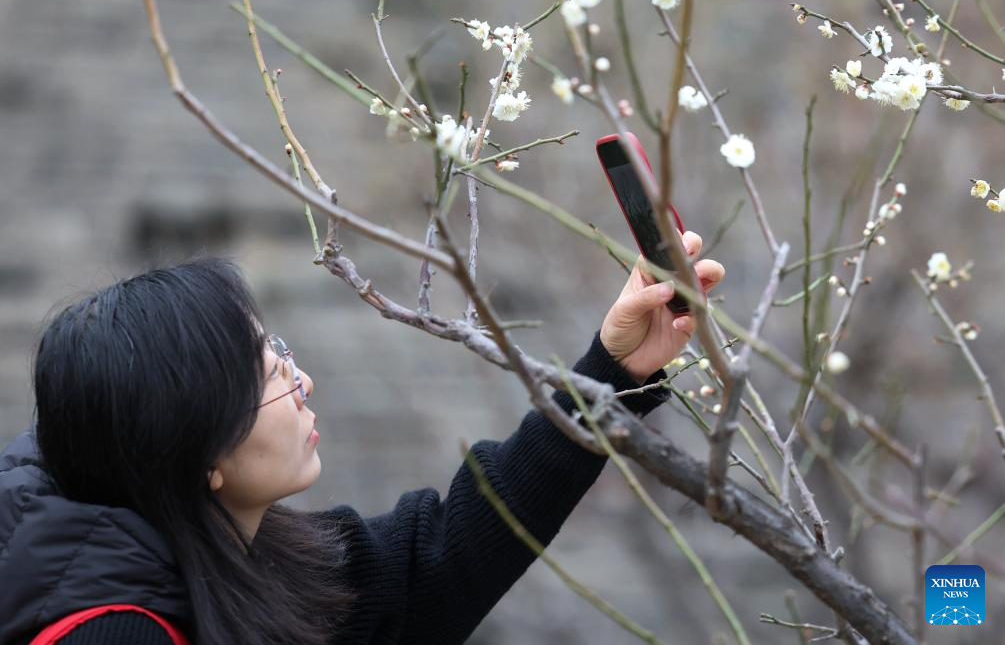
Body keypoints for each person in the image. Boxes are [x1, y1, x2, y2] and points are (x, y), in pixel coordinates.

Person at [0, 233, 724, 645]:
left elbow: (444, 557)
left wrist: (613, 370)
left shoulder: (240, 560)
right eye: (270, 377)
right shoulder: (110, 635)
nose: (303, 380)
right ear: (199, 450)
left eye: (280, 350)